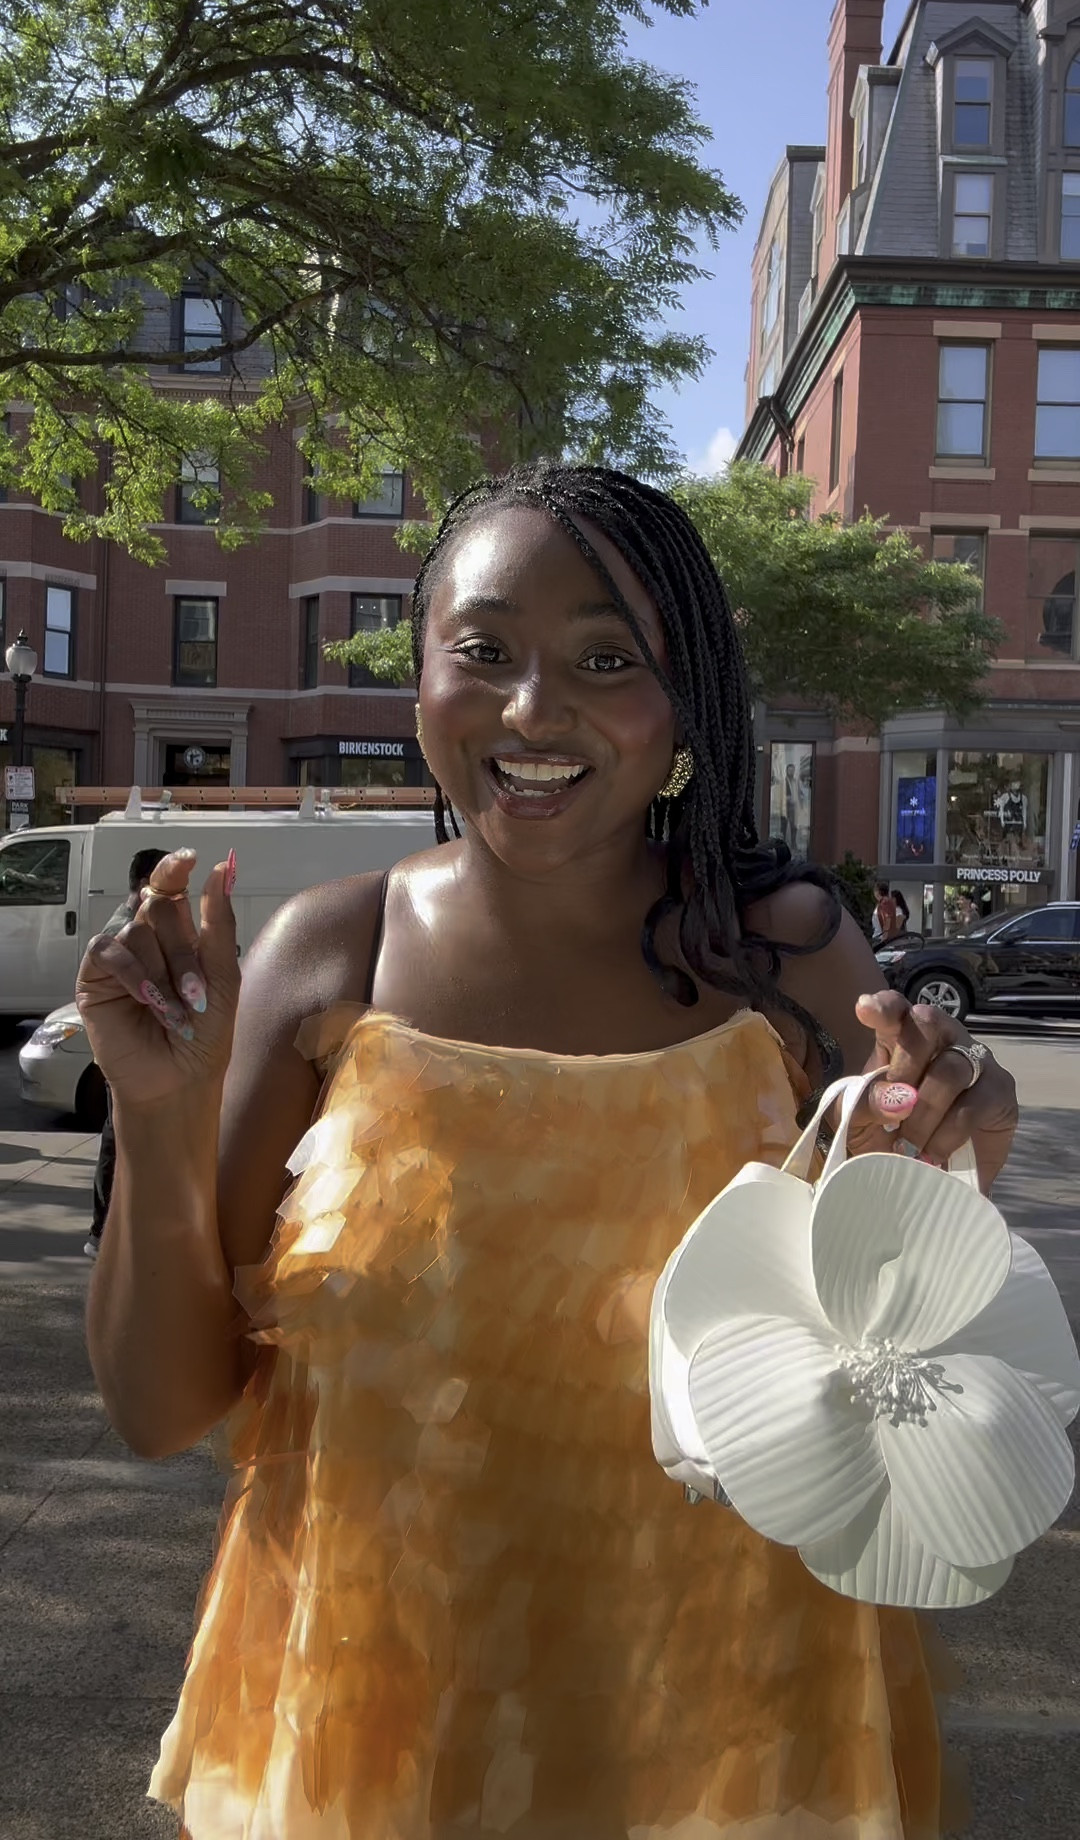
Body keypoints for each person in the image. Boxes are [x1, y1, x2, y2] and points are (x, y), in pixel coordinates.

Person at [78, 463, 1018, 1839]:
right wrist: (159, 1114)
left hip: (738, 1735)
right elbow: (163, 1413)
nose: (534, 707)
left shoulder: (793, 959)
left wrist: (951, 1158)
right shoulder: (331, 955)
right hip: (386, 1741)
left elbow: (897, 1351)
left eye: (605, 657)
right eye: (484, 650)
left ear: (683, 710)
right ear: (420, 687)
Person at [83, 846, 169, 1258]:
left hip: (138, 1057)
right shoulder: (122, 932)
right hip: (126, 1059)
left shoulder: (143, 925)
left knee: (128, 1142)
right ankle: (103, 1235)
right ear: (143, 885)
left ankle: (113, 1233)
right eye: (168, 887)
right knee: (121, 1142)